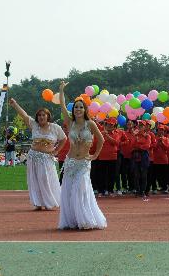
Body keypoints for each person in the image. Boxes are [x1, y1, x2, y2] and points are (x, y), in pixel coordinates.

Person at [57, 82, 106, 230]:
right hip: (71, 162)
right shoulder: (70, 123)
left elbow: (101, 140)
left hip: (84, 163)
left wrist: (95, 155)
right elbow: (62, 106)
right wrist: (61, 90)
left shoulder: (90, 124)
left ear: (85, 109)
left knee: (80, 189)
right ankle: (72, 220)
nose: (78, 109)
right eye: (76, 107)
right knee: (69, 191)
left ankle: (85, 219)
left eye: (80, 107)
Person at [9, 98, 67, 210]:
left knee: (46, 180)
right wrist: (15, 104)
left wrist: (56, 151)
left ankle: (49, 202)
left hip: (46, 158)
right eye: (39, 115)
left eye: (44, 115)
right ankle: (38, 203)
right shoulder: (34, 125)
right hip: (33, 157)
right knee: (34, 180)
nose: (41, 117)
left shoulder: (55, 128)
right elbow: (24, 115)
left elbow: (64, 139)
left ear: (48, 116)